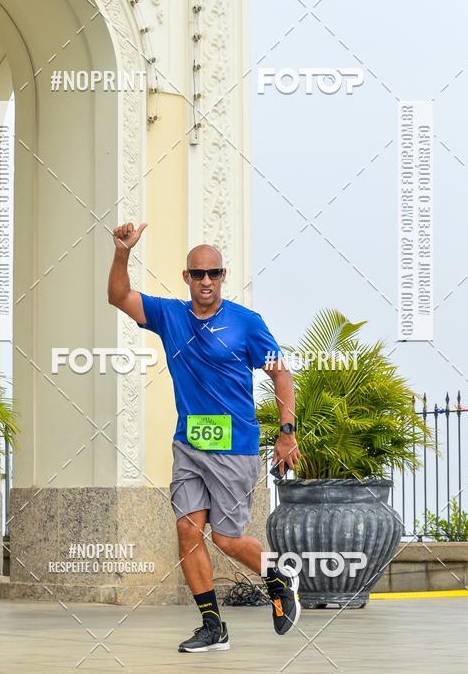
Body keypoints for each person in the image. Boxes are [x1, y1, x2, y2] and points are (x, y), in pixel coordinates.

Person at [108, 221, 301, 653]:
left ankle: (277, 575)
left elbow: (281, 374)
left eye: (214, 273)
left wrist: (286, 432)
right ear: (187, 278)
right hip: (190, 444)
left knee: (227, 539)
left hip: (234, 445)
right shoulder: (170, 315)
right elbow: (119, 296)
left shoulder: (247, 323)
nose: (207, 281)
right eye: (198, 274)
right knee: (187, 530)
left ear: (223, 277)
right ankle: (213, 626)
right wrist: (122, 252)